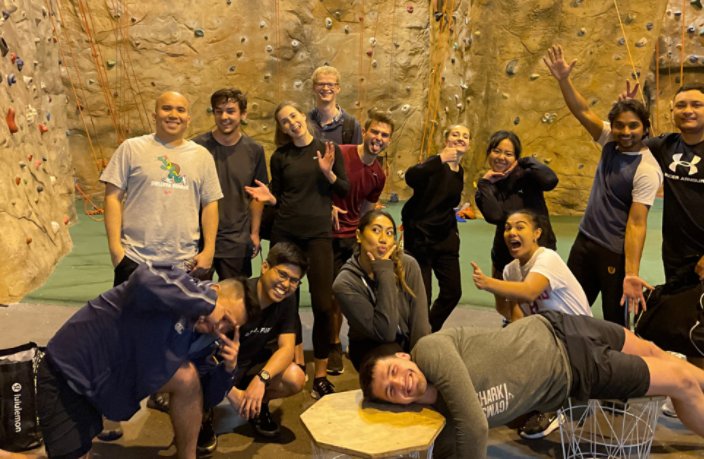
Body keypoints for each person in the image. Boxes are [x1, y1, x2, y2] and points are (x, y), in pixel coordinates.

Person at [360, 311, 704, 459]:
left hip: (559, 325)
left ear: (404, 357)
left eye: (392, 370)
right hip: (577, 367)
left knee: (659, 353)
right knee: (682, 382)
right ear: (398, 404)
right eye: (390, 390)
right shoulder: (447, 427)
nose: (399, 382)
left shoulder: (429, 350)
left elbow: (476, 425)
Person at [33, 263, 255, 459]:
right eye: (224, 317)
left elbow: (204, 398)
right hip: (67, 380)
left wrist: (228, 368)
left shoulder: (204, 337)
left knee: (188, 379)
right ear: (213, 291)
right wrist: (208, 304)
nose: (220, 327)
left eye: (229, 327)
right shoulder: (179, 287)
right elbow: (143, 277)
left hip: (101, 392)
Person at [544, 45, 663, 326]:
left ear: (645, 128)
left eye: (633, 126)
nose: (625, 132)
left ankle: (620, 369)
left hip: (614, 252)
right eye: (619, 125)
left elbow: (637, 224)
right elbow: (582, 110)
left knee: (614, 323)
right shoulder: (610, 140)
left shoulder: (646, 170)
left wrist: (631, 273)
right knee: (568, 310)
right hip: (585, 242)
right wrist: (564, 79)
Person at [269, 101, 349, 399]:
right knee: (283, 303)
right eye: (283, 121)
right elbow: (279, 196)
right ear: (281, 128)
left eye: (293, 116)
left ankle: (321, 375)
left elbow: (343, 189)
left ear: (303, 116)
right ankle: (294, 361)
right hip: (286, 233)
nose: (290, 122)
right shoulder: (280, 157)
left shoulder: (329, 150)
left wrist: (327, 172)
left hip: (318, 235)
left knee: (323, 305)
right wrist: (268, 198)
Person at [101, 91, 223, 285]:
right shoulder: (131, 148)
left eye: (180, 110)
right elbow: (112, 197)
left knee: (179, 317)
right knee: (133, 316)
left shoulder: (202, 156)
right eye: (166, 108)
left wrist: (209, 251)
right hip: (135, 260)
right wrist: (116, 251)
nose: (173, 114)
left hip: (184, 264)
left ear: (188, 118)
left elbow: (210, 204)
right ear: (155, 115)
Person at [196, 243, 307, 452]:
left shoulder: (286, 300)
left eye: (294, 281)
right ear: (265, 267)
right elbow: (204, 353)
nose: (286, 284)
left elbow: (287, 348)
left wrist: (262, 379)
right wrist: (230, 390)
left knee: (295, 377)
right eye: (282, 274)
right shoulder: (236, 298)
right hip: (216, 367)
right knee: (194, 379)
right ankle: (204, 414)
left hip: (249, 366)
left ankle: (256, 407)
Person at [328, 110, 395, 375]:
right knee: (330, 296)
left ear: (389, 140)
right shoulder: (341, 153)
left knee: (354, 293)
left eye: (384, 135)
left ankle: (352, 341)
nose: (378, 138)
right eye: (375, 132)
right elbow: (318, 182)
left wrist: (369, 240)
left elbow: (368, 209)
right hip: (327, 234)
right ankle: (332, 344)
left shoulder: (378, 174)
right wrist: (327, 205)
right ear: (365, 132)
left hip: (352, 238)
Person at [333, 210, 430, 371]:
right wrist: (384, 271)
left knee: (435, 354)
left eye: (390, 233)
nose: (383, 239)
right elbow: (386, 332)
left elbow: (420, 323)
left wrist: (421, 361)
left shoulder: (408, 265)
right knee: (394, 362)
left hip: (406, 343)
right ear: (359, 235)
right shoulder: (345, 283)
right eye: (376, 230)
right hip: (371, 346)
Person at [475, 130, 559, 316]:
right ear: (489, 153)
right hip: (505, 253)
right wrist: (485, 183)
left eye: (508, 153)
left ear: (516, 157)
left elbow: (551, 180)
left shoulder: (528, 175)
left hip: (539, 250)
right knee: (504, 307)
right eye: (497, 151)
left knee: (538, 304)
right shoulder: (486, 186)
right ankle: (513, 332)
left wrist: (524, 162)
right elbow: (495, 215)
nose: (501, 157)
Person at [193, 88, 269, 279]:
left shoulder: (255, 150)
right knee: (196, 303)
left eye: (230, 111)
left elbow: (257, 196)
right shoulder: (196, 148)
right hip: (199, 241)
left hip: (236, 241)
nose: (224, 117)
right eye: (218, 111)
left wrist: (254, 233)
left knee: (237, 303)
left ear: (243, 114)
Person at [401, 125, 468, 332]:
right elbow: (411, 176)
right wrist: (440, 158)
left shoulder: (460, 171)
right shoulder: (434, 164)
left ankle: (427, 330)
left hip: (445, 237)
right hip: (420, 238)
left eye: (465, 136)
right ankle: (418, 338)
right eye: (455, 134)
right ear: (446, 139)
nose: (460, 139)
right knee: (423, 296)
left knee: (452, 292)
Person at [472, 210, 591, 322]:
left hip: (578, 334)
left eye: (520, 227)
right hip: (547, 333)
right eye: (507, 228)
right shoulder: (511, 271)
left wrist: (487, 283)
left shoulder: (548, 257)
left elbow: (529, 292)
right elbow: (517, 318)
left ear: (537, 233)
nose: (512, 232)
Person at [307, 65, 362, 145]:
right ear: (313, 87)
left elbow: (356, 156)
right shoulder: (305, 122)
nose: (325, 88)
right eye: (321, 84)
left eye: (330, 84)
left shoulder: (352, 126)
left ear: (338, 88)